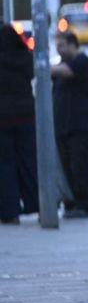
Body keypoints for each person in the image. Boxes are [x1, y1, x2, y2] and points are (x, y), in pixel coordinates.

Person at [52, 31, 88, 218]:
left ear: (73, 44)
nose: (59, 50)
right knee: (68, 169)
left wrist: (40, 65)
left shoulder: (81, 62)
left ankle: (84, 205)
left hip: (82, 129)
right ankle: (72, 204)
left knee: (81, 168)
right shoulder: (63, 66)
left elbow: (63, 71)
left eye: (62, 45)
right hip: (65, 129)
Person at [0, 24, 39, 224]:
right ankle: (34, 204)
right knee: (27, 161)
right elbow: (33, 75)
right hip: (25, 116)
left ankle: (9, 211)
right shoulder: (25, 57)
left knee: (5, 165)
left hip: (3, 119)